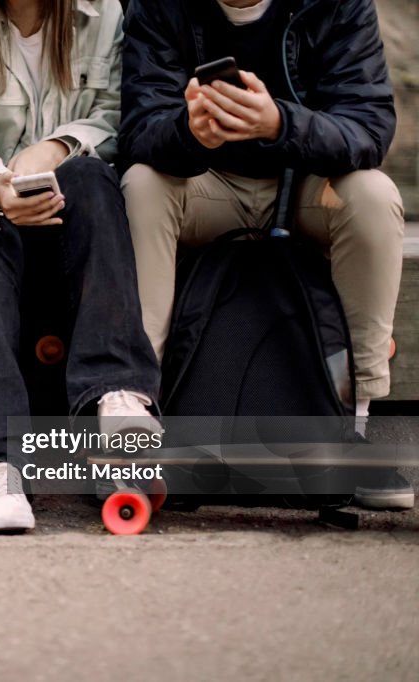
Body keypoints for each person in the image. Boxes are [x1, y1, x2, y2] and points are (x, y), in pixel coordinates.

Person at [120, 0, 412, 510]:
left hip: (306, 186)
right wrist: (190, 132)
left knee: (373, 195)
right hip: (204, 184)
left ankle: (353, 428)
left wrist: (280, 124)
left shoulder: (339, 4)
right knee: (140, 185)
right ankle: (144, 424)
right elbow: (139, 130)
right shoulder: (159, 5)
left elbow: (368, 131)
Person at [0, 0, 162, 533]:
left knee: (93, 180)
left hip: (79, 226)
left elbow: (118, 114)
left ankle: (118, 400)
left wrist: (56, 148)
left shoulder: (103, 15)